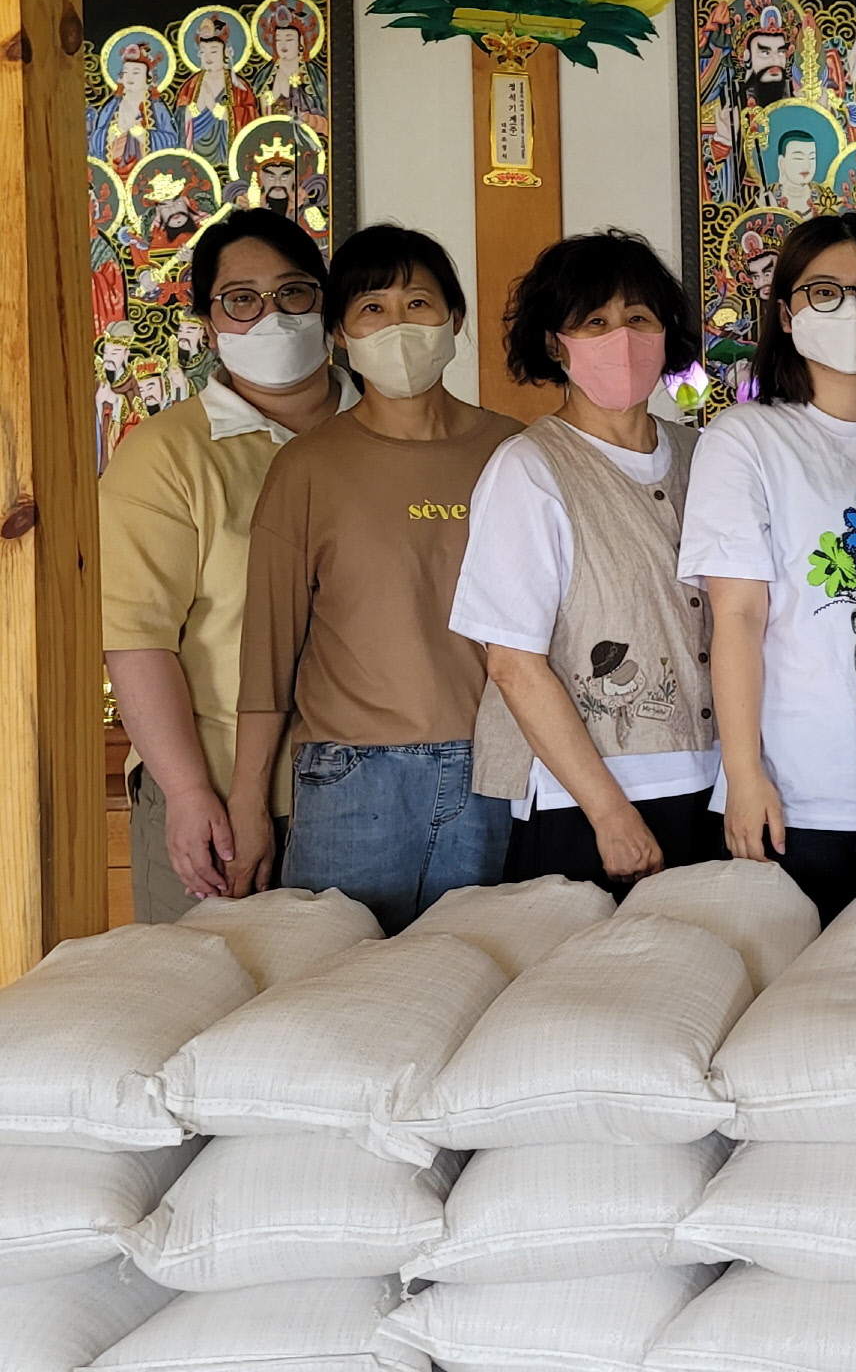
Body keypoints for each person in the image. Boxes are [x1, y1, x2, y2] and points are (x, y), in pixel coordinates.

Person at [231, 225, 523, 932]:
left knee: (484, 983)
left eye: (419, 304)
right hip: (352, 779)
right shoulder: (308, 467)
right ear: (339, 333)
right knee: (331, 990)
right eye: (372, 309)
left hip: (500, 768)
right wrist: (247, 804)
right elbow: (269, 654)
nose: (399, 326)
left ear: (455, 319)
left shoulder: (516, 454)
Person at [449, 232, 725, 898]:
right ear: (555, 343)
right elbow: (514, 665)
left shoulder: (707, 457)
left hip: (713, 786)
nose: (621, 338)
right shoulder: (530, 469)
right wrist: (610, 813)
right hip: (588, 800)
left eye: (639, 319)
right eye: (594, 323)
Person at [102, 209, 355, 919]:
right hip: (213, 788)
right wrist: (186, 792)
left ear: (325, 303)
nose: (271, 315)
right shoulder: (167, 454)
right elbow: (137, 637)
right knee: (208, 1000)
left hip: (376, 789)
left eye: (294, 293)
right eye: (241, 299)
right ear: (208, 322)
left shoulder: (389, 433)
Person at [681, 213, 856, 917]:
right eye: (823, 292)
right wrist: (744, 772)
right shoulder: (747, 438)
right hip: (795, 792)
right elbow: (737, 616)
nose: (849, 307)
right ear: (785, 315)